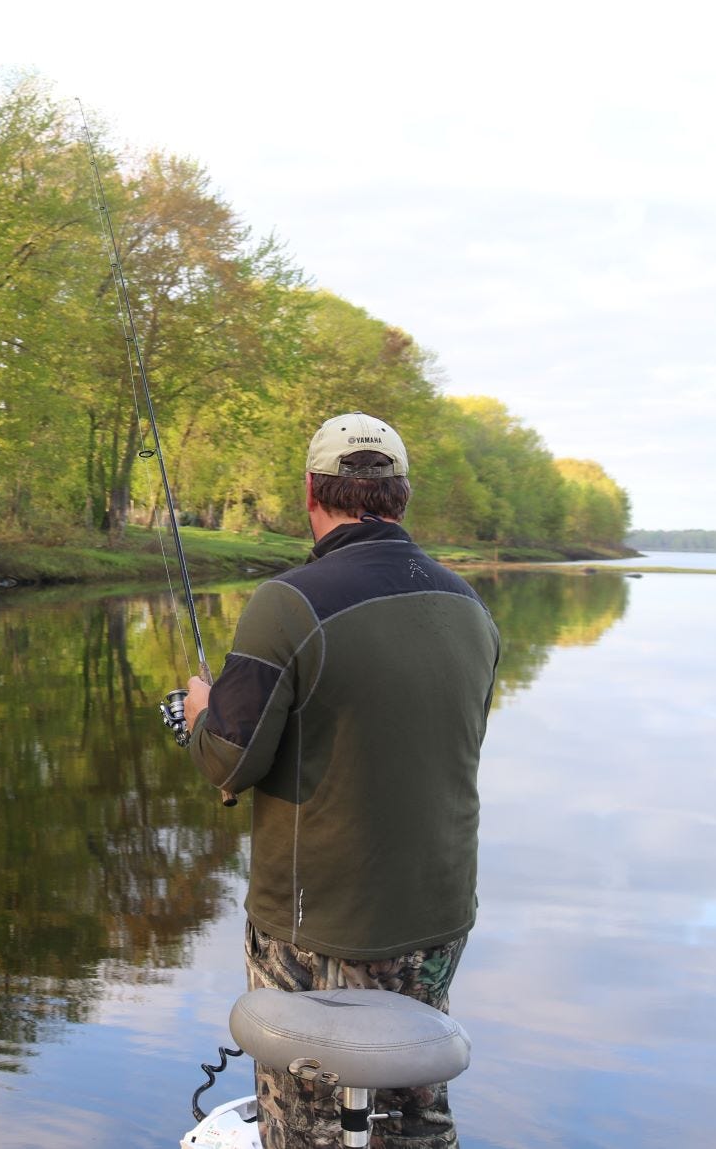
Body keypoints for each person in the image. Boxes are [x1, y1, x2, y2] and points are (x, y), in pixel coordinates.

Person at [184, 412, 500, 1149]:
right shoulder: (470, 606)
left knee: (306, 1121)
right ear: (402, 495)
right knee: (410, 1112)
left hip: (318, 920)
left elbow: (228, 762)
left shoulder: (285, 604)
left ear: (309, 492)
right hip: (438, 914)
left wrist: (201, 711)